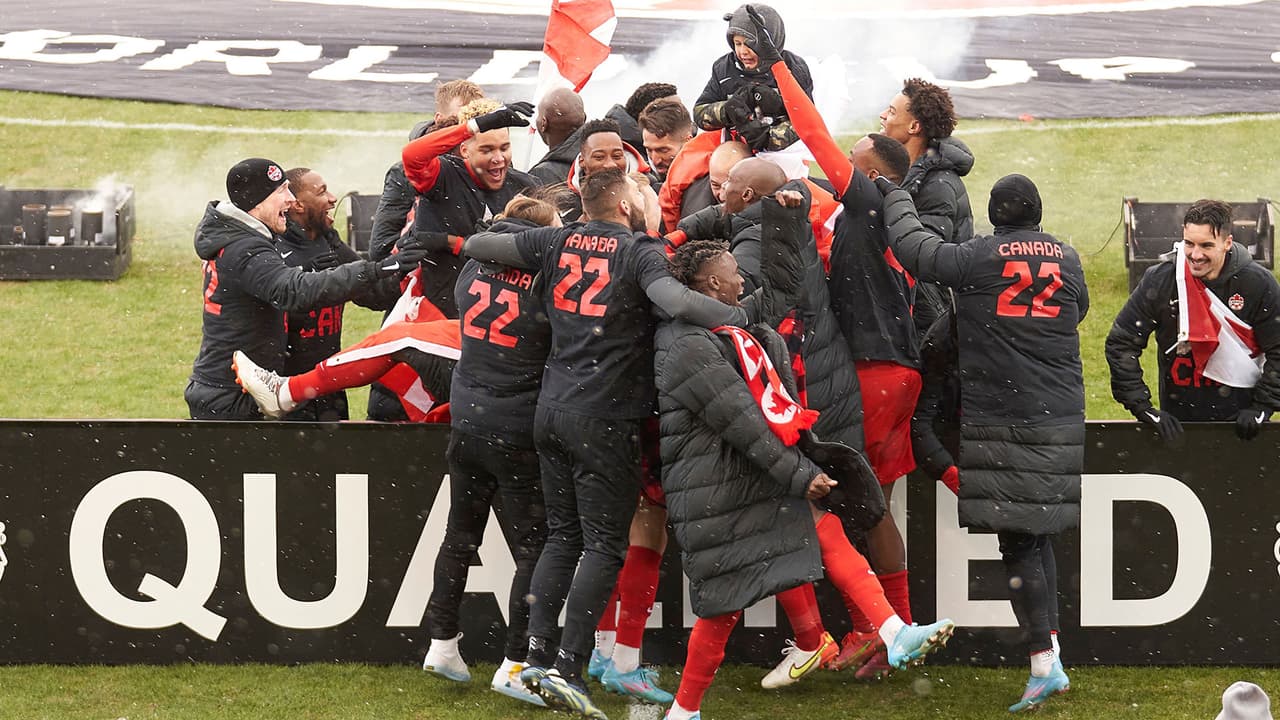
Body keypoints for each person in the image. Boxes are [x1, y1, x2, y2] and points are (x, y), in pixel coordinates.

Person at [462, 168, 765, 718]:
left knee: (562, 539)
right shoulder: (638, 251)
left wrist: (469, 239)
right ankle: (568, 669)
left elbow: (480, 245)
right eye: (641, 193)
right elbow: (677, 302)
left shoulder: (556, 239)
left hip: (550, 410)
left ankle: (534, 659)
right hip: (604, 417)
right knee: (603, 547)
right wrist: (741, 314)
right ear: (625, 205)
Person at [656, 234, 954, 720]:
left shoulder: (722, 322)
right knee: (722, 607)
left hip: (746, 477)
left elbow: (780, 288)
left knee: (823, 532)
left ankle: (891, 631)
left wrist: (784, 215)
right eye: (733, 272)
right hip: (719, 487)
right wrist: (800, 474)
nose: (742, 280)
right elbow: (743, 424)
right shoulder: (687, 344)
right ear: (711, 284)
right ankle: (685, 711)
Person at [879, 172, 1088, 713]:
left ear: (994, 215)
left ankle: (1043, 663)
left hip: (1004, 417)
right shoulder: (1067, 258)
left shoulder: (976, 257)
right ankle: (1051, 654)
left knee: (1018, 544)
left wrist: (894, 194)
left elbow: (914, 249)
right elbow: (1079, 309)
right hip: (1060, 415)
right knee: (1036, 537)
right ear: (1036, 212)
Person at [755, 13, 922, 678]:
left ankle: (873, 630)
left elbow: (815, 135)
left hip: (873, 373)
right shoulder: (896, 211)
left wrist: (778, 67)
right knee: (875, 505)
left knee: (842, 501)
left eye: (850, 164)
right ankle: (893, 630)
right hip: (899, 368)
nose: (837, 169)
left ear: (871, 172)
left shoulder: (870, 201)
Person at [184, 157, 426, 420]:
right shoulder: (245, 248)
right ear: (258, 201)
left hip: (266, 387)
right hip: (237, 392)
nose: (290, 200)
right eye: (281, 192)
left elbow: (374, 295)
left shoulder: (255, 239)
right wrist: (377, 268)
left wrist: (400, 268)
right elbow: (293, 290)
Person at [1106, 199, 1280, 441]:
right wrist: (1141, 407)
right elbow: (1122, 342)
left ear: (1227, 243)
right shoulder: (1161, 280)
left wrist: (1263, 407)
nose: (1195, 255)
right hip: (1177, 427)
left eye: (1206, 245)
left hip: (1243, 429)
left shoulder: (1258, 284)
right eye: (1189, 244)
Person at [276, 167, 399, 421]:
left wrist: (404, 262)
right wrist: (308, 277)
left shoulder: (328, 242)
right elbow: (270, 320)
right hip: (286, 391)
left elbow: (377, 298)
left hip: (329, 387)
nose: (332, 199)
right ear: (297, 204)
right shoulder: (274, 250)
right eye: (322, 192)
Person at [369, 79, 485, 262]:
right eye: (460, 122)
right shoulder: (405, 172)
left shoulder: (493, 164)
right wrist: (447, 242)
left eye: (478, 122)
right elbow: (381, 250)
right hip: (430, 271)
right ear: (439, 120)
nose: (467, 131)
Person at [693, 3, 811, 153]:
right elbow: (699, 113)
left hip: (786, 155)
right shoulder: (724, 68)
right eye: (737, 44)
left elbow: (807, 120)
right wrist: (728, 110)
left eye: (750, 44)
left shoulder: (794, 68)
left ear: (771, 41)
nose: (743, 51)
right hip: (736, 151)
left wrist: (768, 138)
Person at [529, 87, 589, 185]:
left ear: (544, 123)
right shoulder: (599, 158)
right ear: (584, 118)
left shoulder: (543, 175)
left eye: (538, 115)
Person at [638, 97, 695, 184]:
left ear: (688, 141)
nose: (655, 161)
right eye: (649, 150)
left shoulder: (711, 182)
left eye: (663, 150)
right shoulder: (642, 183)